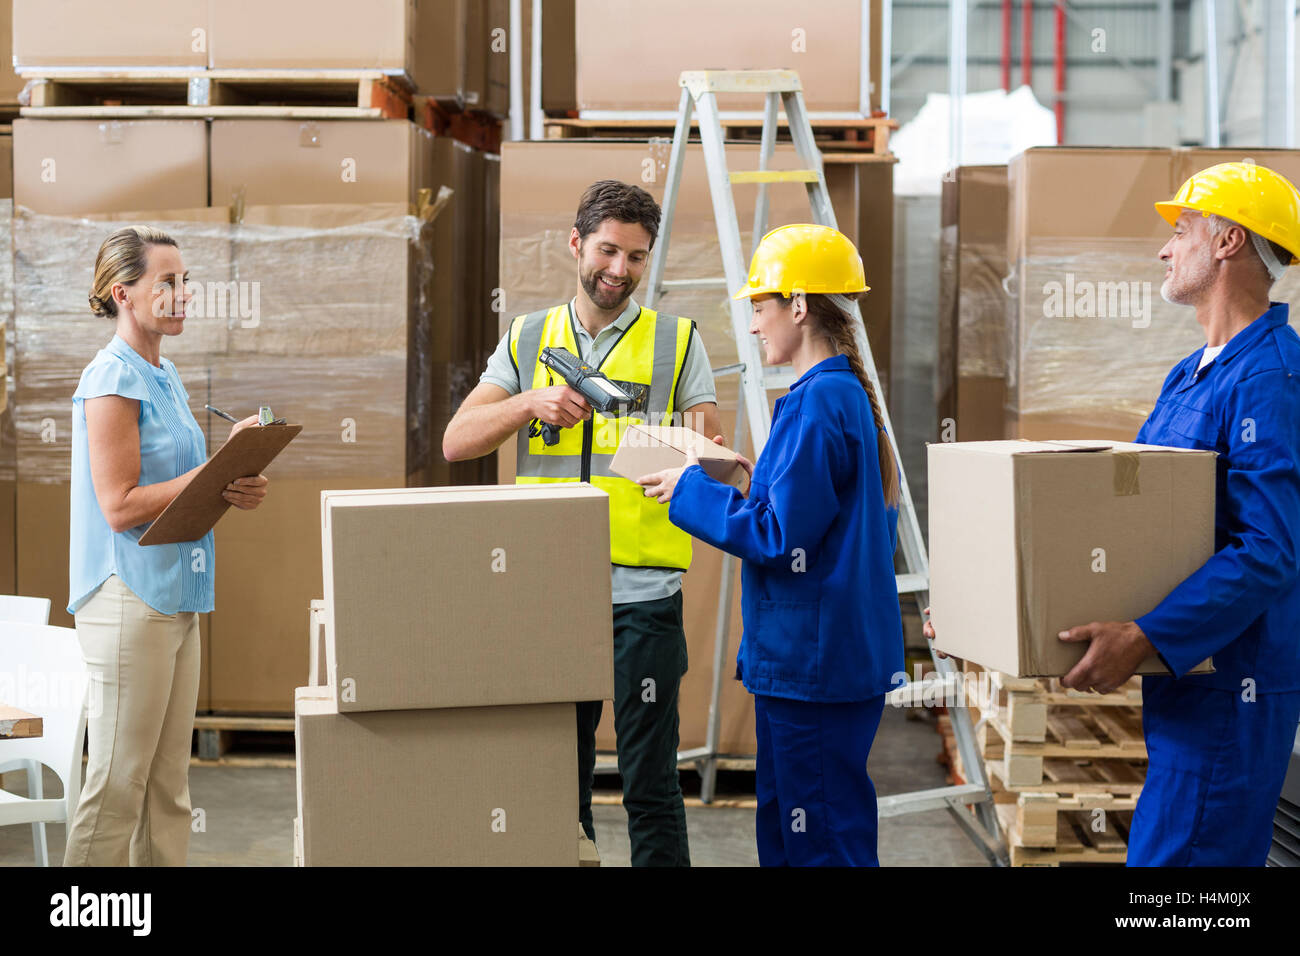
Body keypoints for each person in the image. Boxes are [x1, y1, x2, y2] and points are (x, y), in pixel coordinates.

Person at [927, 162, 1300, 867]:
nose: (1165, 249)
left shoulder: (1271, 380)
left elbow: (1269, 550)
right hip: (1185, 689)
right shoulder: (1192, 372)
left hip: (1230, 691)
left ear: (1227, 243)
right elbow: (1122, 527)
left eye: (1181, 231)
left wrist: (1149, 634)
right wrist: (984, 612)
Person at [442, 180, 720, 867]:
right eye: (607, 250)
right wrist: (527, 403)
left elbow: (712, 463)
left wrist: (633, 440)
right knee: (554, 785)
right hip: (546, 593)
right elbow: (457, 440)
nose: (619, 270)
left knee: (650, 784)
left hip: (644, 597)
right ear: (576, 245)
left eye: (635, 256)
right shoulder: (529, 336)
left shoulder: (677, 343)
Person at [637, 224, 905, 866]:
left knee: (820, 845)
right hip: (812, 662)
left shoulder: (819, 405)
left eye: (760, 307)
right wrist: (740, 477)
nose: (754, 325)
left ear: (800, 305)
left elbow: (781, 537)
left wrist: (687, 491)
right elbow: (808, 516)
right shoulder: (829, 397)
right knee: (792, 835)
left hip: (814, 666)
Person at [64, 226, 269, 866]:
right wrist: (211, 475)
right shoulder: (110, 380)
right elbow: (120, 503)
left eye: (186, 282)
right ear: (124, 294)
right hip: (128, 598)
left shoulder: (165, 371)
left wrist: (233, 479)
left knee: (168, 788)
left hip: (177, 596)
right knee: (119, 784)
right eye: (168, 283)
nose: (183, 294)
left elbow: (181, 493)